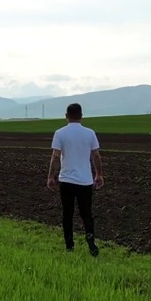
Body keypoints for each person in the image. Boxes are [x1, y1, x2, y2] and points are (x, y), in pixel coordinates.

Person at [47, 103, 104, 255]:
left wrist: (51, 176)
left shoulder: (60, 133)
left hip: (66, 181)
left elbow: (56, 156)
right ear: (81, 116)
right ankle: (90, 239)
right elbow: (96, 155)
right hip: (85, 181)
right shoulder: (90, 133)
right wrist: (99, 174)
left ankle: (69, 245)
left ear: (66, 116)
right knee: (86, 213)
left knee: (67, 213)